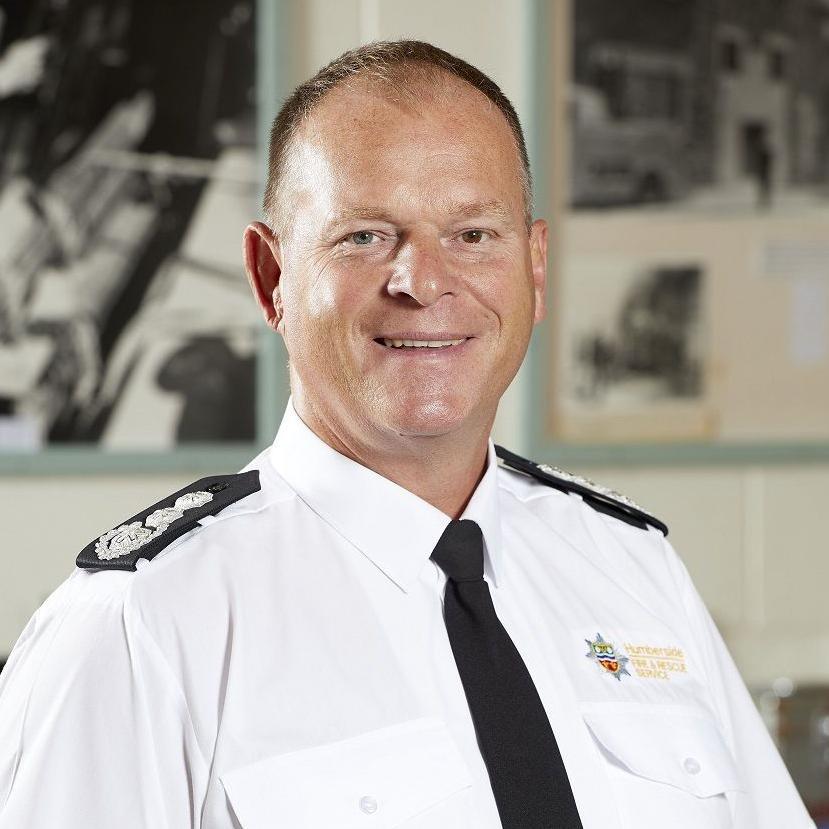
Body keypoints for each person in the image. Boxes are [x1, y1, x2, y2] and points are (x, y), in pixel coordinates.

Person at [0, 40, 814, 829]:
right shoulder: (138, 626)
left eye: (471, 235)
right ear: (270, 277)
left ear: (533, 267)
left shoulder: (632, 569)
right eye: (364, 236)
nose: (423, 283)